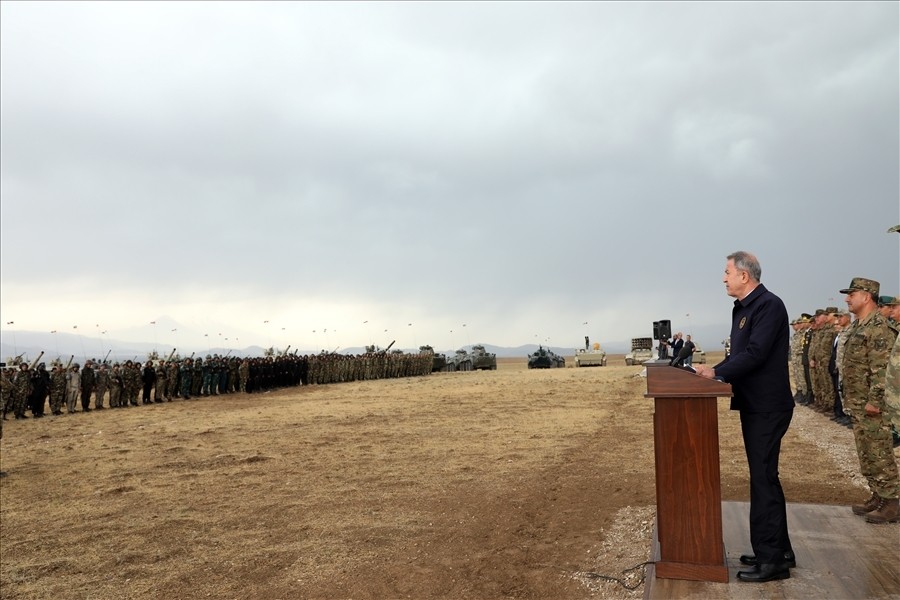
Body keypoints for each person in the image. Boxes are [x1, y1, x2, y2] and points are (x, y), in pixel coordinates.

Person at [694, 251, 795, 583]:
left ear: (744, 276)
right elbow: (741, 353)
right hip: (755, 404)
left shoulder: (768, 305)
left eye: (726, 272)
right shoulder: (745, 308)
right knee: (764, 477)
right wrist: (717, 371)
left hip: (767, 406)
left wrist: (716, 373)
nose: (723, 278)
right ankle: (777, 549)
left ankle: (772, 561)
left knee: (764, 478)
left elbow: (755, 354)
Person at [840, 277, 899, 523]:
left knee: (879, 451)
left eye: (851, 294)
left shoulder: (879, 328)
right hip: (858, 402)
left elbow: (882, 369)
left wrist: (875, 400)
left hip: (872, 405)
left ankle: (892, 501)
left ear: (866, 296)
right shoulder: (858, 326)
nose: (847, 298)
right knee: (866, 452)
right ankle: (878, 495)